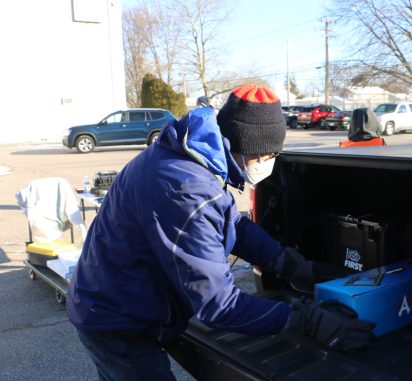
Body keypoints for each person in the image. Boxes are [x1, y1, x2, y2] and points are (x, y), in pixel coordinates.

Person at [67, 84, 375, 380]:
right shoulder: (187, 189)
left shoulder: (191, 158)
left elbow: (233, 224)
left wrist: (288, 263)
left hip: (116, 296)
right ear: (249, 148)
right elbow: (218, 306)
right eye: (268, 156)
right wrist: (305, 319)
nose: (268, 164)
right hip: (118, 320)